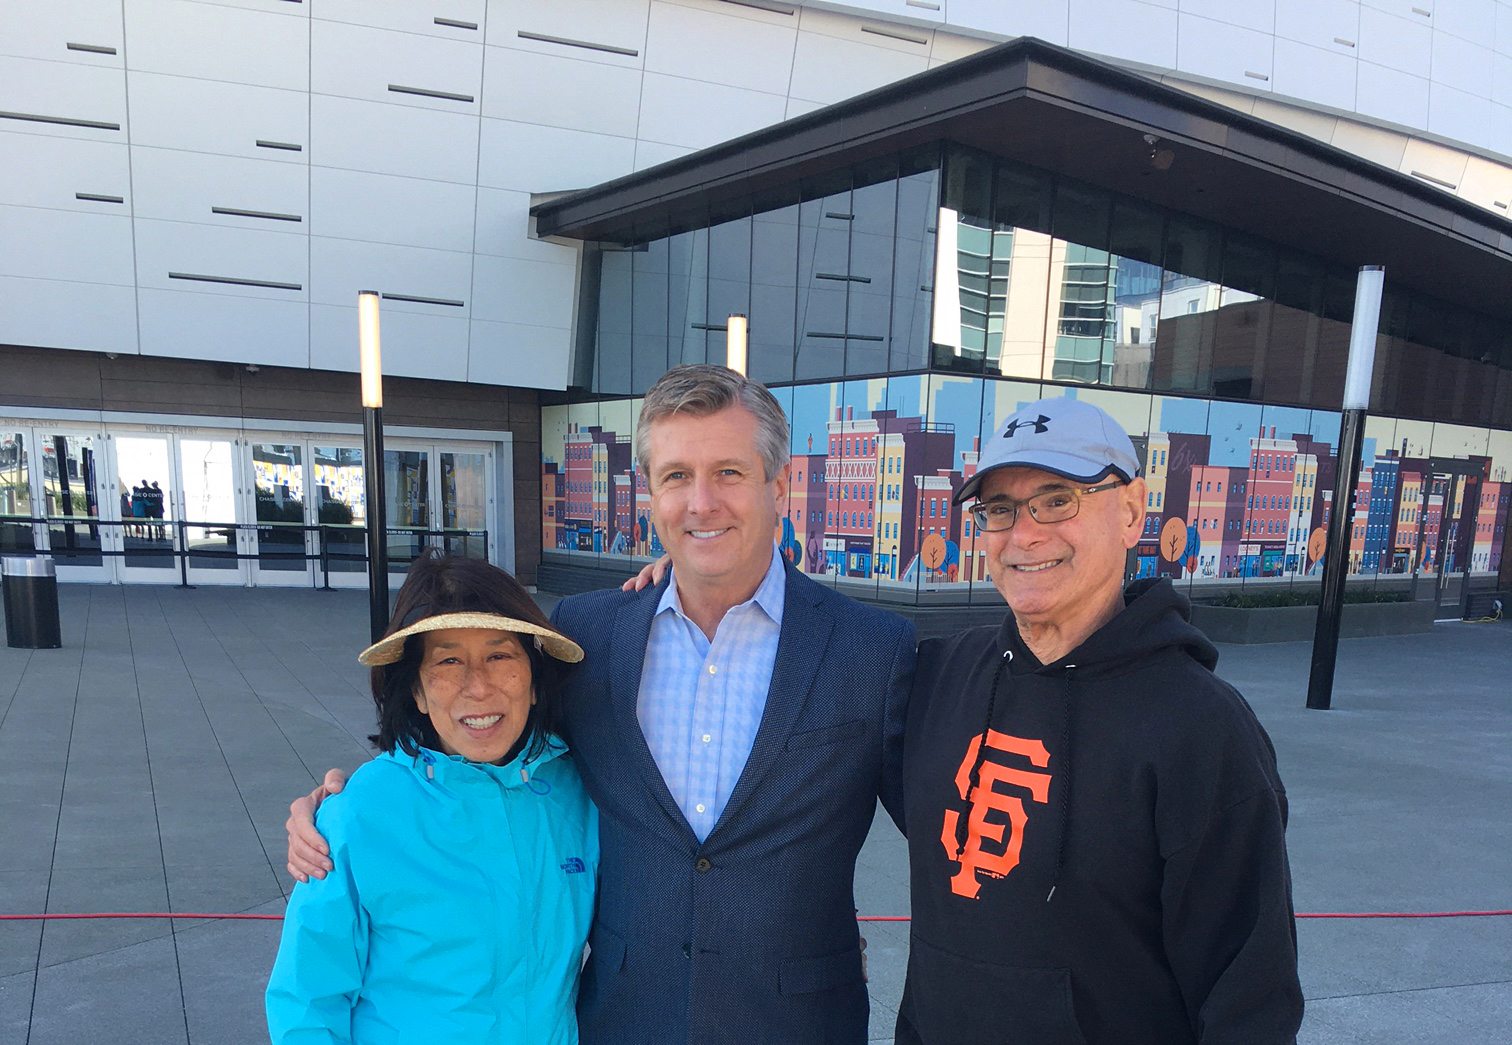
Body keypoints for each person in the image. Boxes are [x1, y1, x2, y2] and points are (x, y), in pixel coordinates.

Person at [287, 364, 915, 1045]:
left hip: (796, 1024)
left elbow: (950, 833)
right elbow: (478, 731)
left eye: (729, 472)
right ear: (650, 493)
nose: (701, 502)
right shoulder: (590, 634)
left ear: (781, 483)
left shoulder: (873, 649)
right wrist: (337, 805)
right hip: (621, 1020)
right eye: (677, 475)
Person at [895, 396, 1302, 1045]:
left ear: (1133, 511)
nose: (1023, 534)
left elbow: (1248, 1000)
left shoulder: (1202, 728)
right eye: (999, 508)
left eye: (1057, 499)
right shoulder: (938, 678)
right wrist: (680, 586)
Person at [267, 551, 598, 1044]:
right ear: (418, 692)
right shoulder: (357, 815)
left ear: (533, 679)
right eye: (448, 661)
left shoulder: (580, 792)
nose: (478, 686)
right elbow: (307, 1001)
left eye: (500, 654)